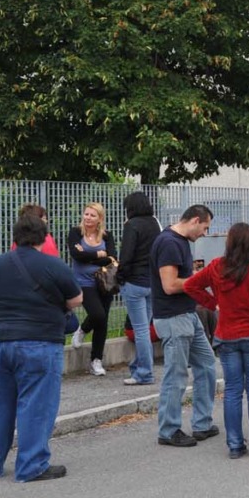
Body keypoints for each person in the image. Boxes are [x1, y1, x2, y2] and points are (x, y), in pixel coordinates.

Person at [0, 212, 83, 481]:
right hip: (39, 342)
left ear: (15, 237)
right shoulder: (52, 265)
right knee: (36, 404)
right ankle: (32, 465)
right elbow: (76, 299)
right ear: (44, 237)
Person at [184, 223, 249, 460]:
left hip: (226, 336)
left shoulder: (217, 267)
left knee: (233, 390)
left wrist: (212, 302)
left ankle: (235, 445)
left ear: (230, 243)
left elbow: (190, 285)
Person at [151, 204, 219, 448]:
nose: (204, 233)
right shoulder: (169, 243)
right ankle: (169, 430)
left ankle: (201, 423)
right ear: (195, 220)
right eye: (205, 227)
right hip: (173, 317)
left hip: (186, 314)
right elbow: (169, 285)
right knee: (176, 375)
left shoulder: (179, 242)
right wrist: (198, 280)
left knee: (207, 364)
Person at [67, 202, 117, 377]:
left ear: (100, 219)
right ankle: (82, 330)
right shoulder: (75, 233)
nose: (88, 218)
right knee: (97, 315)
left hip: (104, 282)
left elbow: (111, 258)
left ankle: (96, 360)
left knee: (102, 322)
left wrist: (88, 257)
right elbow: (76, 255)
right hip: (83, 282)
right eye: (86, 214)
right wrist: (97, 255)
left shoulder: (107, 236)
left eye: (92, 215)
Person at [118, 191, 162, 386]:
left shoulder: (132, 226)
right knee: (145, 328)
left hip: (134, 282)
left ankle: (145, 373)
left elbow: (126, 255)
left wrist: (120, 278)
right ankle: (138, 366)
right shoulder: (154, 224)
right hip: (152, 282)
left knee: (141, 331)